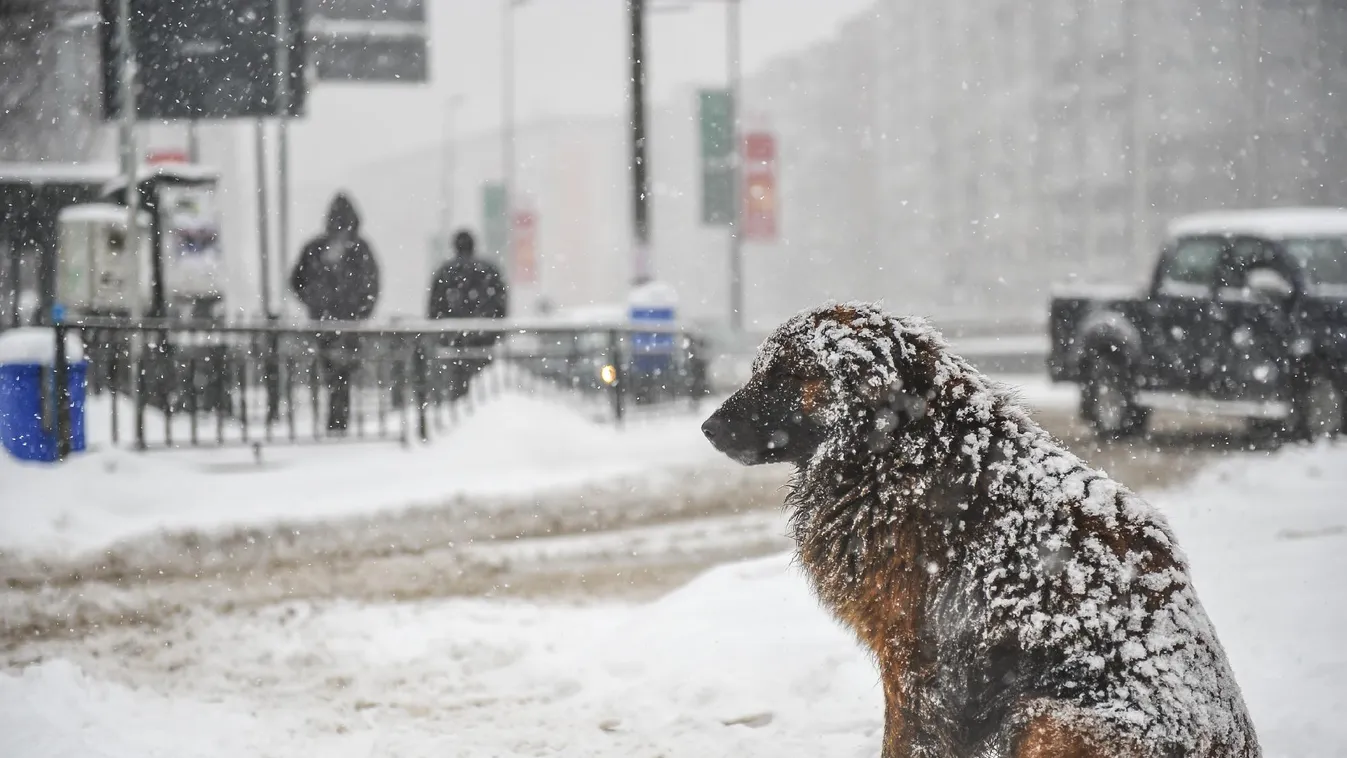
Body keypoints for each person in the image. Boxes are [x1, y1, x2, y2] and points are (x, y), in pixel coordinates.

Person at [290, 192, 380, 432]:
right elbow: (372, 285)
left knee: (331, 368)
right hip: (347, 322)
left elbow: (297, 281)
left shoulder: (316, 247)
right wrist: (360, 311)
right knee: (343, 371)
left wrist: (315, 302)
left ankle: (335, 416)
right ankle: (339, 417)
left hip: (325, 321)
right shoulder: (360, 249)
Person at [427, 229, 509, 402]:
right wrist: (495, 330)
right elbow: (500, 305)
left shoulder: (445, 272)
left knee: (456, 385)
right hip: (484, 339)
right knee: (485, 387)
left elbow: (434, 308)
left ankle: (461, 409)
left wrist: (442, 332)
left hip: (454, 340)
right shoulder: (488, 270)